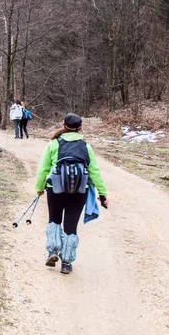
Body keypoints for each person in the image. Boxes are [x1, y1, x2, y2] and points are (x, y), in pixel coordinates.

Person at [35, 113, 109, 275]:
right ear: (79, 128)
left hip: (55, 189)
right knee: (71, 226)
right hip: (78, 191)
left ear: (63, 125)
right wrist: (102, 194)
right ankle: (66, 262)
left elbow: (43, 169)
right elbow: (94, 172)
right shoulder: (86, 147)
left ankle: (53, 251)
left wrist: (39, 188)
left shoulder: (53, 144)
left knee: (54, 220)